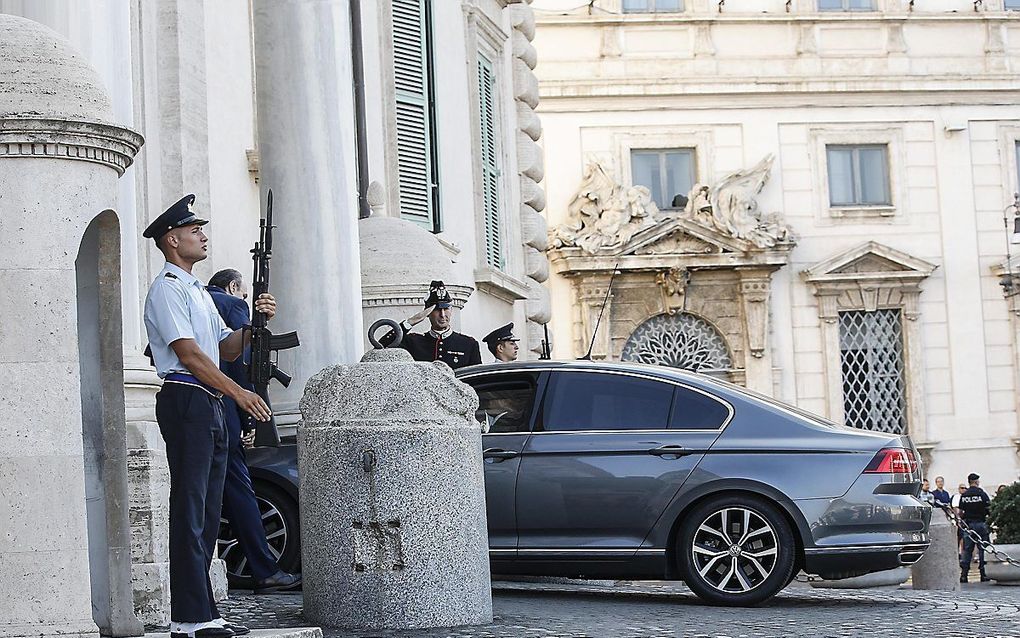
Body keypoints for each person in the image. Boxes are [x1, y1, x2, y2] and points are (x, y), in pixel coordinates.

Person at [143, 194, 276, 638]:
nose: (202, 235)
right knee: (190, 507)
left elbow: (226, 348)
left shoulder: (199, 292)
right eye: (194, 230)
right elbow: (191, 355)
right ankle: (190, 614)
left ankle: (203, 610)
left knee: (208, 506)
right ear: (172, 239)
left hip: (210, 401)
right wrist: (238, 392)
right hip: (188, 397)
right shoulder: (167, 288)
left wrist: (253, 322)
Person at [206, 269, 301, 593]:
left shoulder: (197, 299)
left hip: (195, 405)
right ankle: (264, 569)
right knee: (238, 489)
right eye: (243, 294)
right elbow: (238, 363)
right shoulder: (232, 305)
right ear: (233, 287)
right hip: (225, 407)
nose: (243, 300)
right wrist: (250, 418)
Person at [380, 280, 481, 369]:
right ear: (428, 313)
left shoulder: (468, 344)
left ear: (451, 310)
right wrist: (412, 321)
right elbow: (383, 346)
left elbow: (477, 381)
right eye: (437, 310)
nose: (442, 315)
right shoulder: (413, 342)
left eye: (446, 309)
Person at [958, 472, 992, 583]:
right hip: (981, 524)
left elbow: (961, 512)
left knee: (967, 550)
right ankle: (983, 573)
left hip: (969, 525)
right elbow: (988, 508)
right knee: (983, 549)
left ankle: (964, 575)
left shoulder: (964, 495)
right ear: (976, 481)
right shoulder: (981, 493)